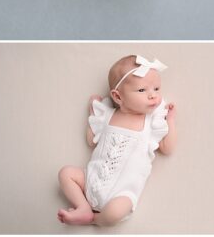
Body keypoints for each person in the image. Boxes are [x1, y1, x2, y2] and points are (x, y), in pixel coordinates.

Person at [57, 55, 176, 226]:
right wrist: (93, 113)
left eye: (156, 88)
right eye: (142, 90)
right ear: (118, 97)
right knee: (65, 173)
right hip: (91, 180)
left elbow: (167, 147)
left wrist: (170, 120)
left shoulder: (152, 123)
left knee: (115, 212)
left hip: (121, 194)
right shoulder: (107, 116)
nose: (153, 96)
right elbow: (91, 141)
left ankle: (95, 220)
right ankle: (83, 206)